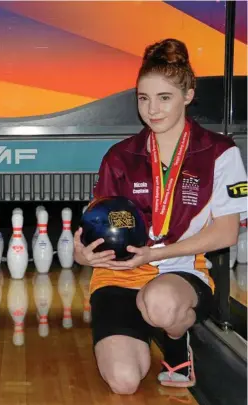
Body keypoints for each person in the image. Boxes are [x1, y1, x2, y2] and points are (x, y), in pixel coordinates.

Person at [74, 38, 247, 394]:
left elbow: (227, 233)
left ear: (188, 95)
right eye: (143, 98)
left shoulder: (219, 153)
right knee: (123, 382)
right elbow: (98, 223)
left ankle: (174, 340)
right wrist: (82, 253)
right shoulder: (120, 156)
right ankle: (141, 325)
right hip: (120, 274)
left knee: (160, 303)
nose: (152, 109)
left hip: (180, 269)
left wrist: (156, 254)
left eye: (164, 97)